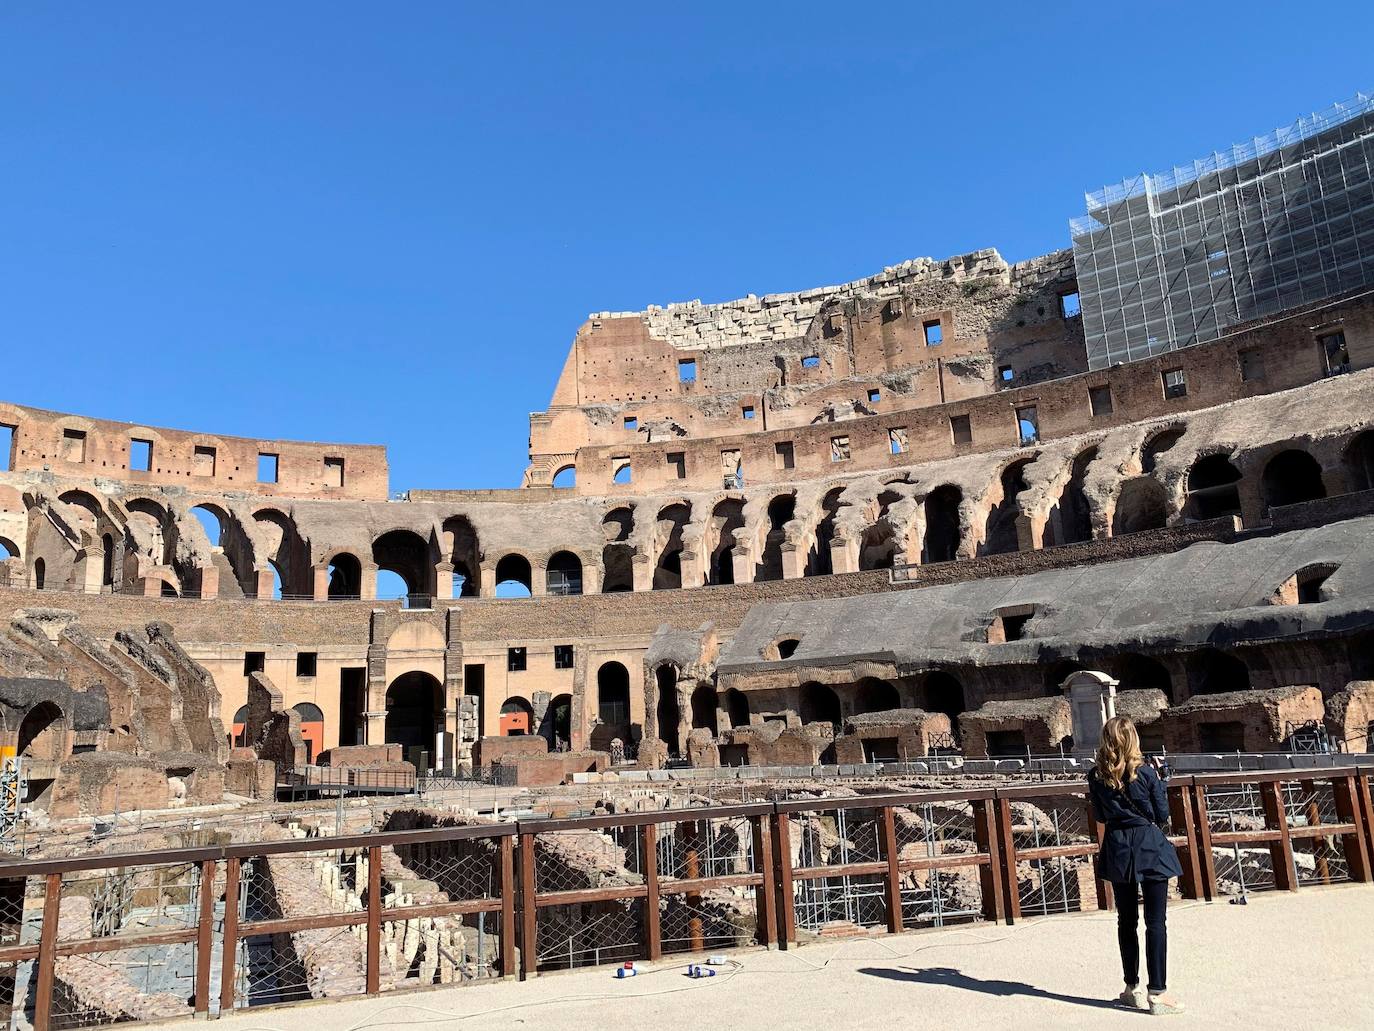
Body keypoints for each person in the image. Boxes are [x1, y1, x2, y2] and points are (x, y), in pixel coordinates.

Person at [1087, 715, 1185, 1015]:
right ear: (1134, 740)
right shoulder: (1146, 773)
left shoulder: (1095, 776)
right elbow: (1162, 814)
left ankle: (1132, 988)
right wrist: (1160, 781)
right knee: (1156, 923)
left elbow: (1102, 817)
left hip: (1118, 847)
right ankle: (1158, 995)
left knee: (1126, 922)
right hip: (1149, 846)